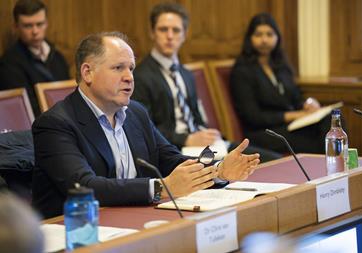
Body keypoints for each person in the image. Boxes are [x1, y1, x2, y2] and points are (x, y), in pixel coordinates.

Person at [32, 31, 260, 219]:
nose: (129, 77)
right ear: (87, 72)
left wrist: (218, 171)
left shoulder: (135, 113)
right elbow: (85, 187)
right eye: (118, 68)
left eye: (131, 68)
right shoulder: (55, 124)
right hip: (81, 230)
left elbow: (169, 159)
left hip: (135, 217)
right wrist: (161, 188)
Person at [133, 3, 280, 162]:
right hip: (173, 151)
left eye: (176, 30)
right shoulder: (140, 76)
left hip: (206, 146)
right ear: (152, 33)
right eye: (163, 29)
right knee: (235, 169)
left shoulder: (186, 74)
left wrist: (209, 134)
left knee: (274, 161)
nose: (170, 36)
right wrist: (185, 139)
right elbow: (144, 128)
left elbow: (197, 117)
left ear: (184, 35)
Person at [230, 13, 329, 154]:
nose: (264, 39)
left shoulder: (281, 65)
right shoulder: (242, 70)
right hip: (263, 132)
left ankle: (339, 167)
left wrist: (308, 103)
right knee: (312, 140)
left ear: (277, 37)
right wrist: (293, 115)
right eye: (258, 34)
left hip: (289, 125)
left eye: (269, 34)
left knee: (331, 118)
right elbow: (253, 116)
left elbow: (296, 97)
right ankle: (327, 172)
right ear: (249, 38)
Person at [0, 0, 70, 116]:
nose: (35, 31)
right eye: (28, 26)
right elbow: (24, 110)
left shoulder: (58, 57)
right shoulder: (8, 64)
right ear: (16, 27)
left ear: (46, 23)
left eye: (39, 24)